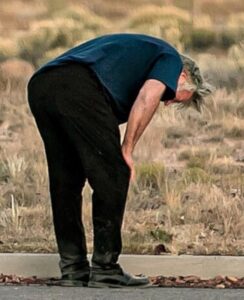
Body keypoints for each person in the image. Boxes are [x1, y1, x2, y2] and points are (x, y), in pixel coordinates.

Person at [27, 33, 213, 288]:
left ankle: (73, 269)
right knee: (115, 173)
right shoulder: (170, 58)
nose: (168, 102)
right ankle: (105, 268)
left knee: (66, 181)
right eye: (175, 96)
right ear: (183, 76)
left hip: (42, 85)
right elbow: (148, 97)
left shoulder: (139, 58)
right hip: (77, 85)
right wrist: (127, 150)